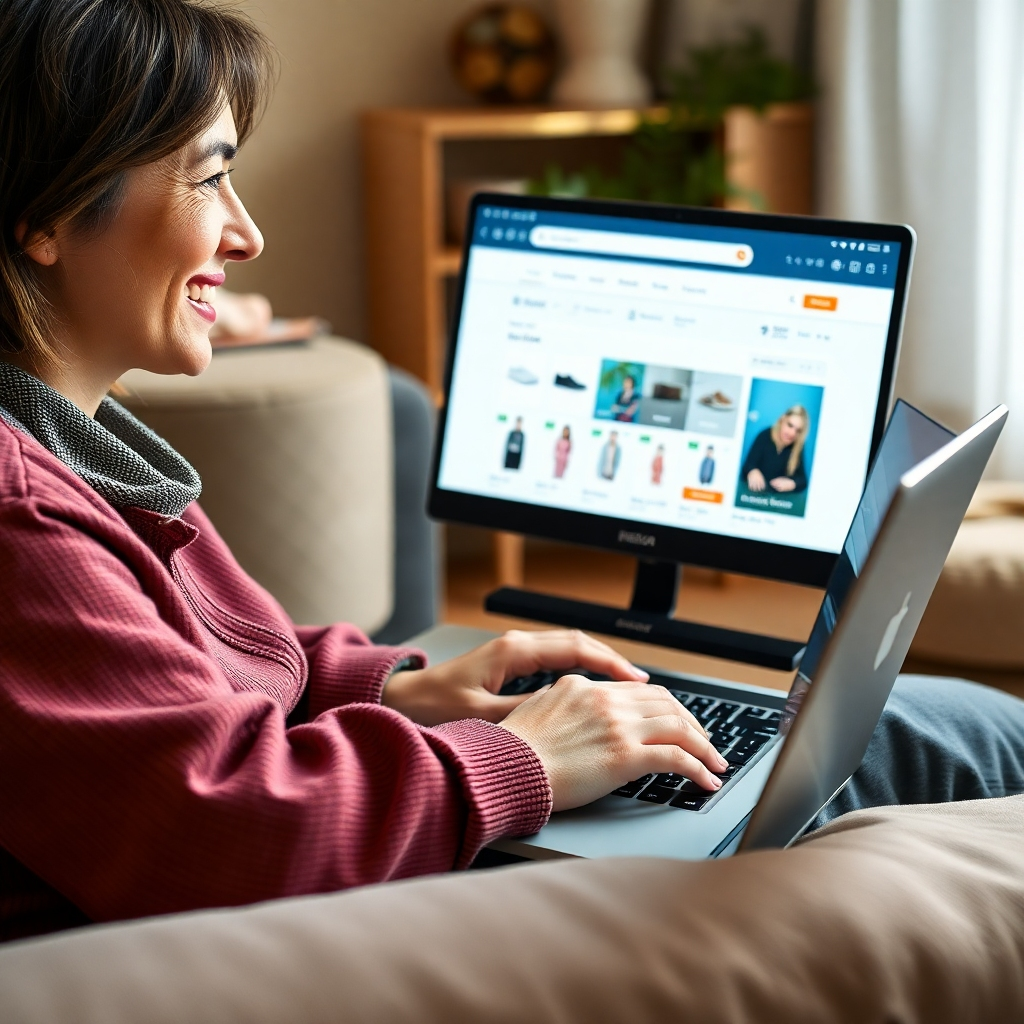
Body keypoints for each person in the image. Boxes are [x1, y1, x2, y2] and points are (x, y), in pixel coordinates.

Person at [1, 0, 1022, 953]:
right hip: (308, 912)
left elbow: (209, 675)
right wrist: (525, 759)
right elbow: (229, 831)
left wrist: (395, 687)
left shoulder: (74, 452)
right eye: (207, 176)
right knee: (944, 741)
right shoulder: (22, 517)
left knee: (926, 720)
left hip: (359, 814)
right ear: (46, 216)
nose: (247, 232)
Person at [742, 405, 809, 493]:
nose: (792, 433)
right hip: (754, 494)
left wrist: (793, 483)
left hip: (779, 498)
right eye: (790, 425)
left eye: (798, 431)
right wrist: (752, 471)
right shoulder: (765, 435)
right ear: (782, 420)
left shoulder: (797, 446)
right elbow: (748, 465)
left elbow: (803, 480)